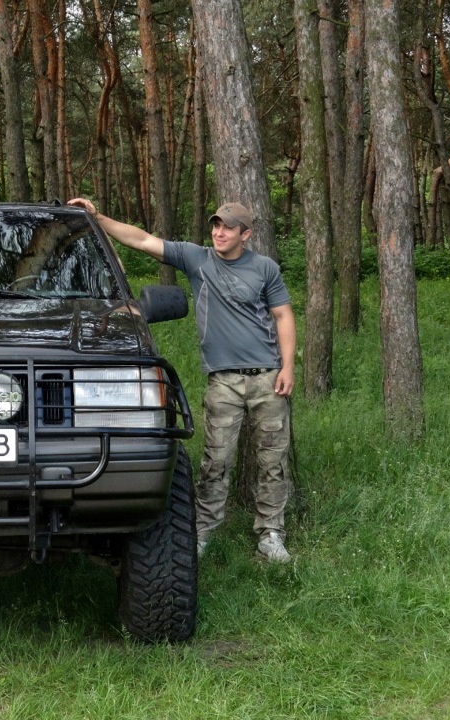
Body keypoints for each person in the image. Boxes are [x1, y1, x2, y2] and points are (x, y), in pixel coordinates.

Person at [68, 198, 296, 563]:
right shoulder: (198, 259)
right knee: (216, 461)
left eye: (228, 228)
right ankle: (201, 532)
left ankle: (271, 535)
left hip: (267, 378)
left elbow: (283, 315)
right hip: (223, 382)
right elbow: (142, 240)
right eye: (216, 226)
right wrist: (97, 217)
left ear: (246, 234)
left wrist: (287, 368)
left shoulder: (264, 268)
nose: (219, 233)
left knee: (273, 461)